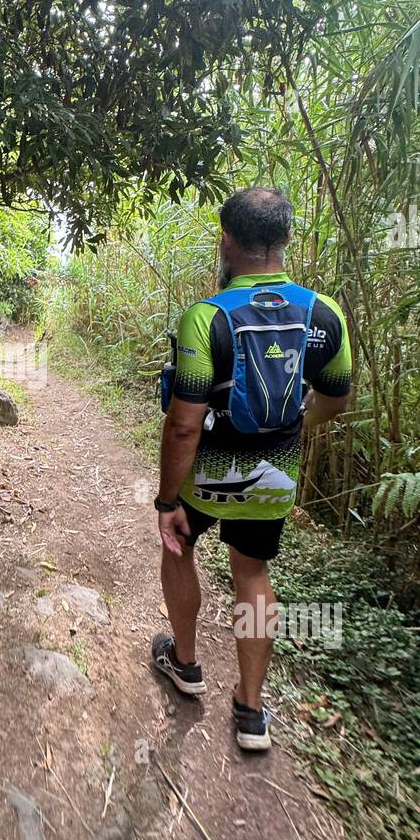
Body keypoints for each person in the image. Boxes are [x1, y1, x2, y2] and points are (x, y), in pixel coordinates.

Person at [152, 187, 352, 750]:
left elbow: (184, 423)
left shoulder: (207, 318)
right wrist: (292, 427)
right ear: (285, 240)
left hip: (204, 473)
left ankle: (187, 666)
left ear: (227, 241)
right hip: (273, 476)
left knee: (179, 546)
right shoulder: (324, 314)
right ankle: (251, 710)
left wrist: (167, 501)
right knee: (252, 574)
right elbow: (335, 400)